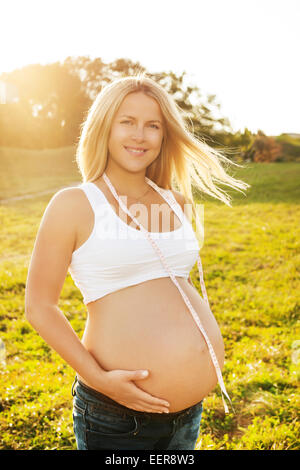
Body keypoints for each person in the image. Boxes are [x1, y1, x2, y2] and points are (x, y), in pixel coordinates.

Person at [25, 73, 250, 450]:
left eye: (153, 125)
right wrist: (98, 378)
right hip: (117, 416)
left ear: (165, 136)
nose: (140, 135)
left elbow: (173, 285)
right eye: (127, 121)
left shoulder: (176, 203)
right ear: (104, 128)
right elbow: (39, 307)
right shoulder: (75, 204)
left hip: (189, 413)